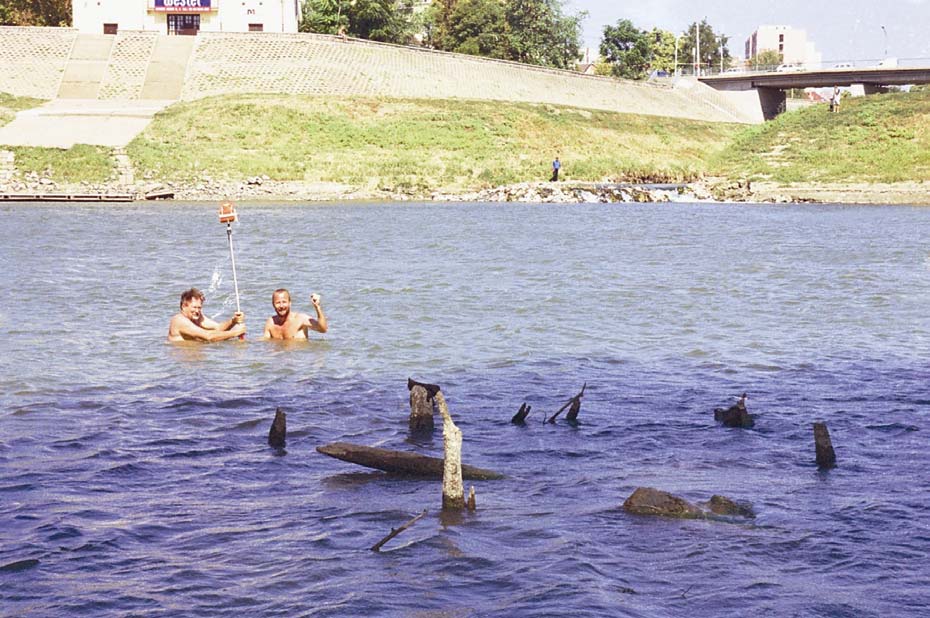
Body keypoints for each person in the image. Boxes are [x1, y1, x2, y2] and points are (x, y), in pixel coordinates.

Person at [167, 288, 245, 342]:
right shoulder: (179, 320)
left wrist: (233, 321)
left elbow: (218, 328)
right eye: (194, 307)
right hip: (184, 363)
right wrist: (235, 333)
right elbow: (208, 336)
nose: (197, 311)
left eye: (199, 307)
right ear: (184, 306)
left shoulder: (197, 316)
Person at [262, 288, 328, 340]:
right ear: (273, 304)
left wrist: (317, 307)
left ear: (290, 303)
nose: (281, 306)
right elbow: (265, 342)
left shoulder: (301, 319)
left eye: (284, 302)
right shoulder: (270, 323)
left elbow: (323, 329)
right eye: (278, 303)